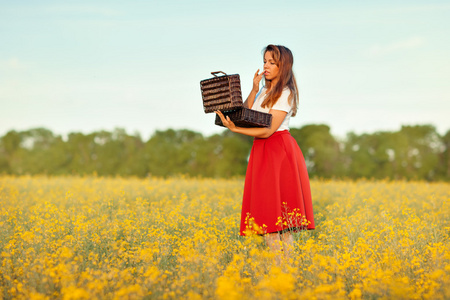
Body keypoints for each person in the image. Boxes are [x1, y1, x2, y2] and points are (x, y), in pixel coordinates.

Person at [215, 44, 315, 259]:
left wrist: (234, 129)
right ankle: (283, 271)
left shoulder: (286, 93)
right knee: (272, 218)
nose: (266, 66)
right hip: (262, 150)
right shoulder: (263, 89)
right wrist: (253, 88)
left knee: (278, 221)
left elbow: (268, 130)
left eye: (272, 62)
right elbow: (245, 112)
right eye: (265, 61)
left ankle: (283, 272)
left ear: (284, 66)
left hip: (279, 150)